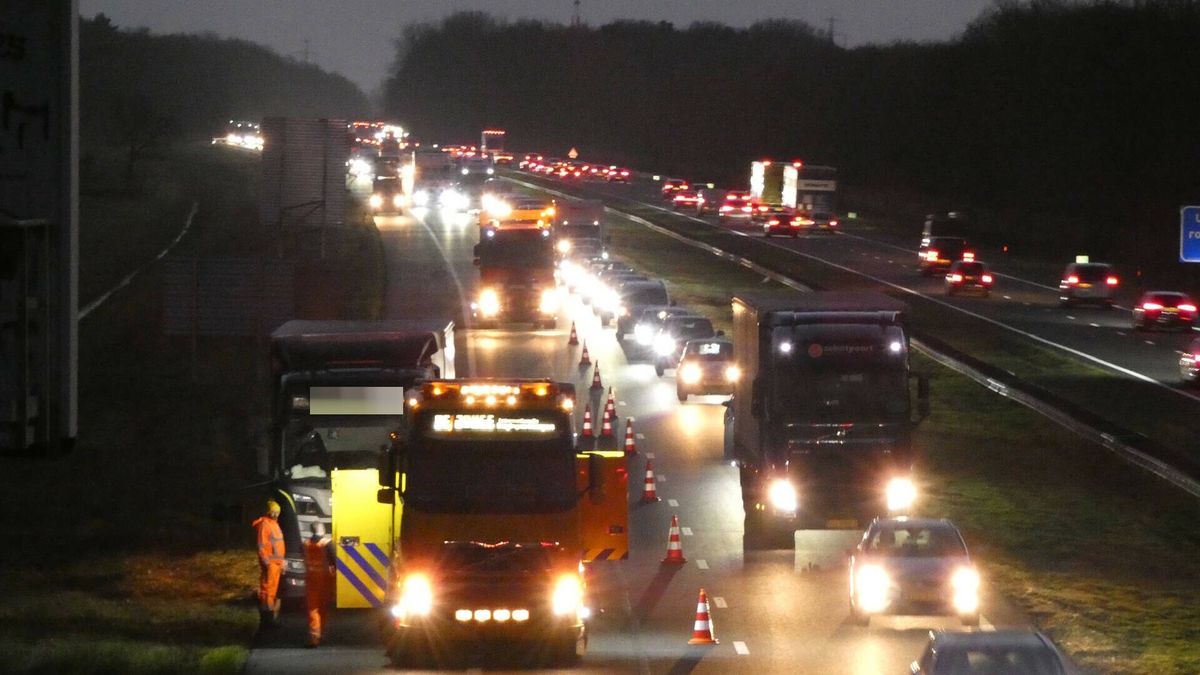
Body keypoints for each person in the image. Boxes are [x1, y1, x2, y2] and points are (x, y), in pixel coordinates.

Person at [252, 500, 285, 627]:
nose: (276, 514)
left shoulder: (274, 524)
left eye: (277, 512)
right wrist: (266, 562)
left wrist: (281, 563)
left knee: (272, 592)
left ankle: (269, 618)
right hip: (270, 564)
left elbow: (278, 547)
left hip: (276, 564)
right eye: (274, 512)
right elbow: (261, 546)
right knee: (267, 592)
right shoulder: (265, 525)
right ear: (269, 512)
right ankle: (266, 619)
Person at [304, 521, 334, 647]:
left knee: (313, 609)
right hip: (325, 580)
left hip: (311, 580)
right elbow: (334, 561)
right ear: (321, 530)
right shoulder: (327, 544)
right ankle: (320, 635)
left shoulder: (305, 544)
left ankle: (314, 637)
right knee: (323, 608)